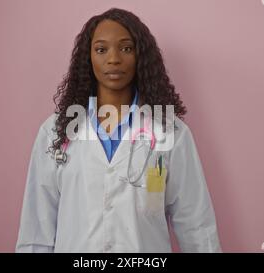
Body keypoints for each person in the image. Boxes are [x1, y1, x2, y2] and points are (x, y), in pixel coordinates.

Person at [16, 8, 221, 253]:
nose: (113, 59)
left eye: (126, 48)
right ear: (88, 58)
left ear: (140, 56)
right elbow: (37, 227)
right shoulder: (56, 131)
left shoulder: (170, 131)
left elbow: (196, 224)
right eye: (101, 49)